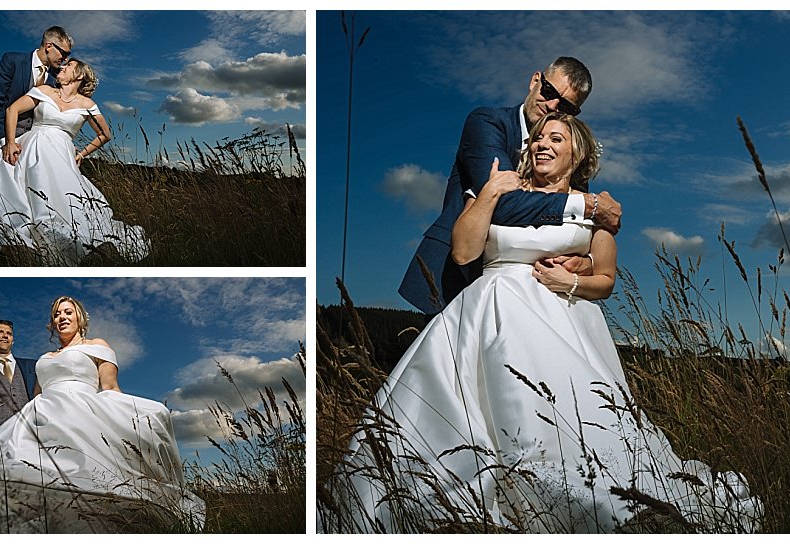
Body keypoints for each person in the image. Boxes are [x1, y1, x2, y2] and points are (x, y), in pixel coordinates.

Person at [321, 113, 762, 533]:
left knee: (567, 422)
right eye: (537, 138)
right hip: (487, 314)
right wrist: (491, 192)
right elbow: (463, 253)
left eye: (557, 139)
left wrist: (570, 279)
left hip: (563, 325)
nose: (543, 145)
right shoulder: (502, 190)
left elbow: (605, 279)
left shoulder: (597, 209)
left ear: (578, 155)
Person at [0, 296, 203, 532]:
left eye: (68, 312)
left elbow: (110, 387)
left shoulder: (98, 346)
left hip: (81, 407)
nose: (61, 317)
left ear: (80, 317)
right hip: (42, 411)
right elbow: (37, 396)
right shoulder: (44, 358)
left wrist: (130, 420)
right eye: (56, 314)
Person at [398, 57, 624, 315]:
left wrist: (585, 263)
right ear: (535, 80)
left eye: (565, 106)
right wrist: (587, 205)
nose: (551, 105)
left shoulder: (569, 163)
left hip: (544, 303)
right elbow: (504, 205)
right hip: (461, 279)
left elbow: (574, 234)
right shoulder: (488, 123)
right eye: (549, 92)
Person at [0, 58, 149, 265]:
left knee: (63, 201)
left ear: (80, 75)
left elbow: (105, 135)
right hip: (31, 146)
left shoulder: (88, 104)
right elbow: (12, 109)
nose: (63, 66)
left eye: (70, 65)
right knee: (11, 193)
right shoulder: (45, 90)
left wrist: (82, 154)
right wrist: (10, 142)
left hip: (61, 156)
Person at [0, 26, 73, 158]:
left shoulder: (57, 77)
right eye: (64, 53)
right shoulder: (12, 61)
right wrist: (5, 141)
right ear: (49, 46)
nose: (65, 59)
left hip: (31, 147)